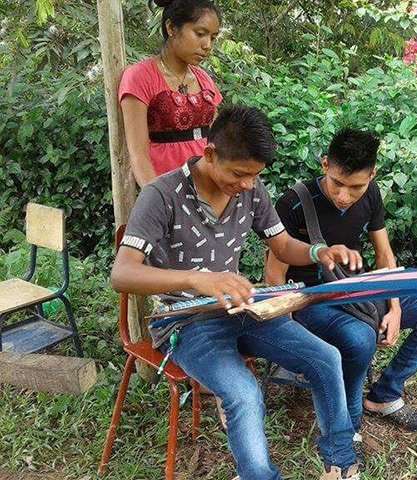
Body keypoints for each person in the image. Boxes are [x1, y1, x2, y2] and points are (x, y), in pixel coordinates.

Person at [111, 106, 361, 480]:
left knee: (326, 357)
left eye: (255, 175)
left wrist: (316, 252)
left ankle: (341, 464)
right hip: (185, 321)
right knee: (243, 392)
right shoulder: (161, 195)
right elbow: (122, 273)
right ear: (210, 154)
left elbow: (281, 245)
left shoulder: (251, 191)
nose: (247, 184)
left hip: (244, 307)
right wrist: (196, 280)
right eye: (239, 174)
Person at [265, 129, 417, 445]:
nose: (344, 196)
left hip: (358, 292)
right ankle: (348, 429)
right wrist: (288, 333)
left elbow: (384, 255)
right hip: (311, 303)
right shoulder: (295, 202)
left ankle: (385, 394)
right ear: (325, 165)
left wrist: (394, 307)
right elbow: (274, 275)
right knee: (360, 339)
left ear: (372, 175)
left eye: (356, 187)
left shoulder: (371, 194)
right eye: (338, 184)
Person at [119, 0, 224, 187]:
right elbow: (138, 155)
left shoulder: (204, 79)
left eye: (213, 37)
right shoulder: (140, 77)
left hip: (209, 187)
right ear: (171, 28)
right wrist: (158, 199)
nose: (207, 45)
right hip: (165, 187)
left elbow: (219, 140)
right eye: (200, 34)